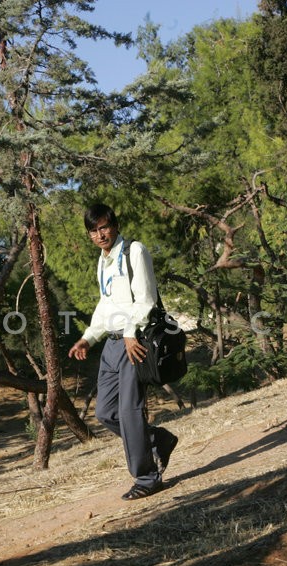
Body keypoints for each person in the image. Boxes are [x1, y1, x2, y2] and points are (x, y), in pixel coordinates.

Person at [68, 203, 178, 500]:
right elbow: (106, 305)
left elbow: (146, 298)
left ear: (114, 225)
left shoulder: (134, 251)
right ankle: (159, 439)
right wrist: (88, 338)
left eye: (103, 227)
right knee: (105, 412)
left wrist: (131, 334)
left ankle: (147, 477)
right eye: (93, 230)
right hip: (112, 343)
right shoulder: (103, 261)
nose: (100, 234)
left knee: (130, 412)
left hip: (135, 340)